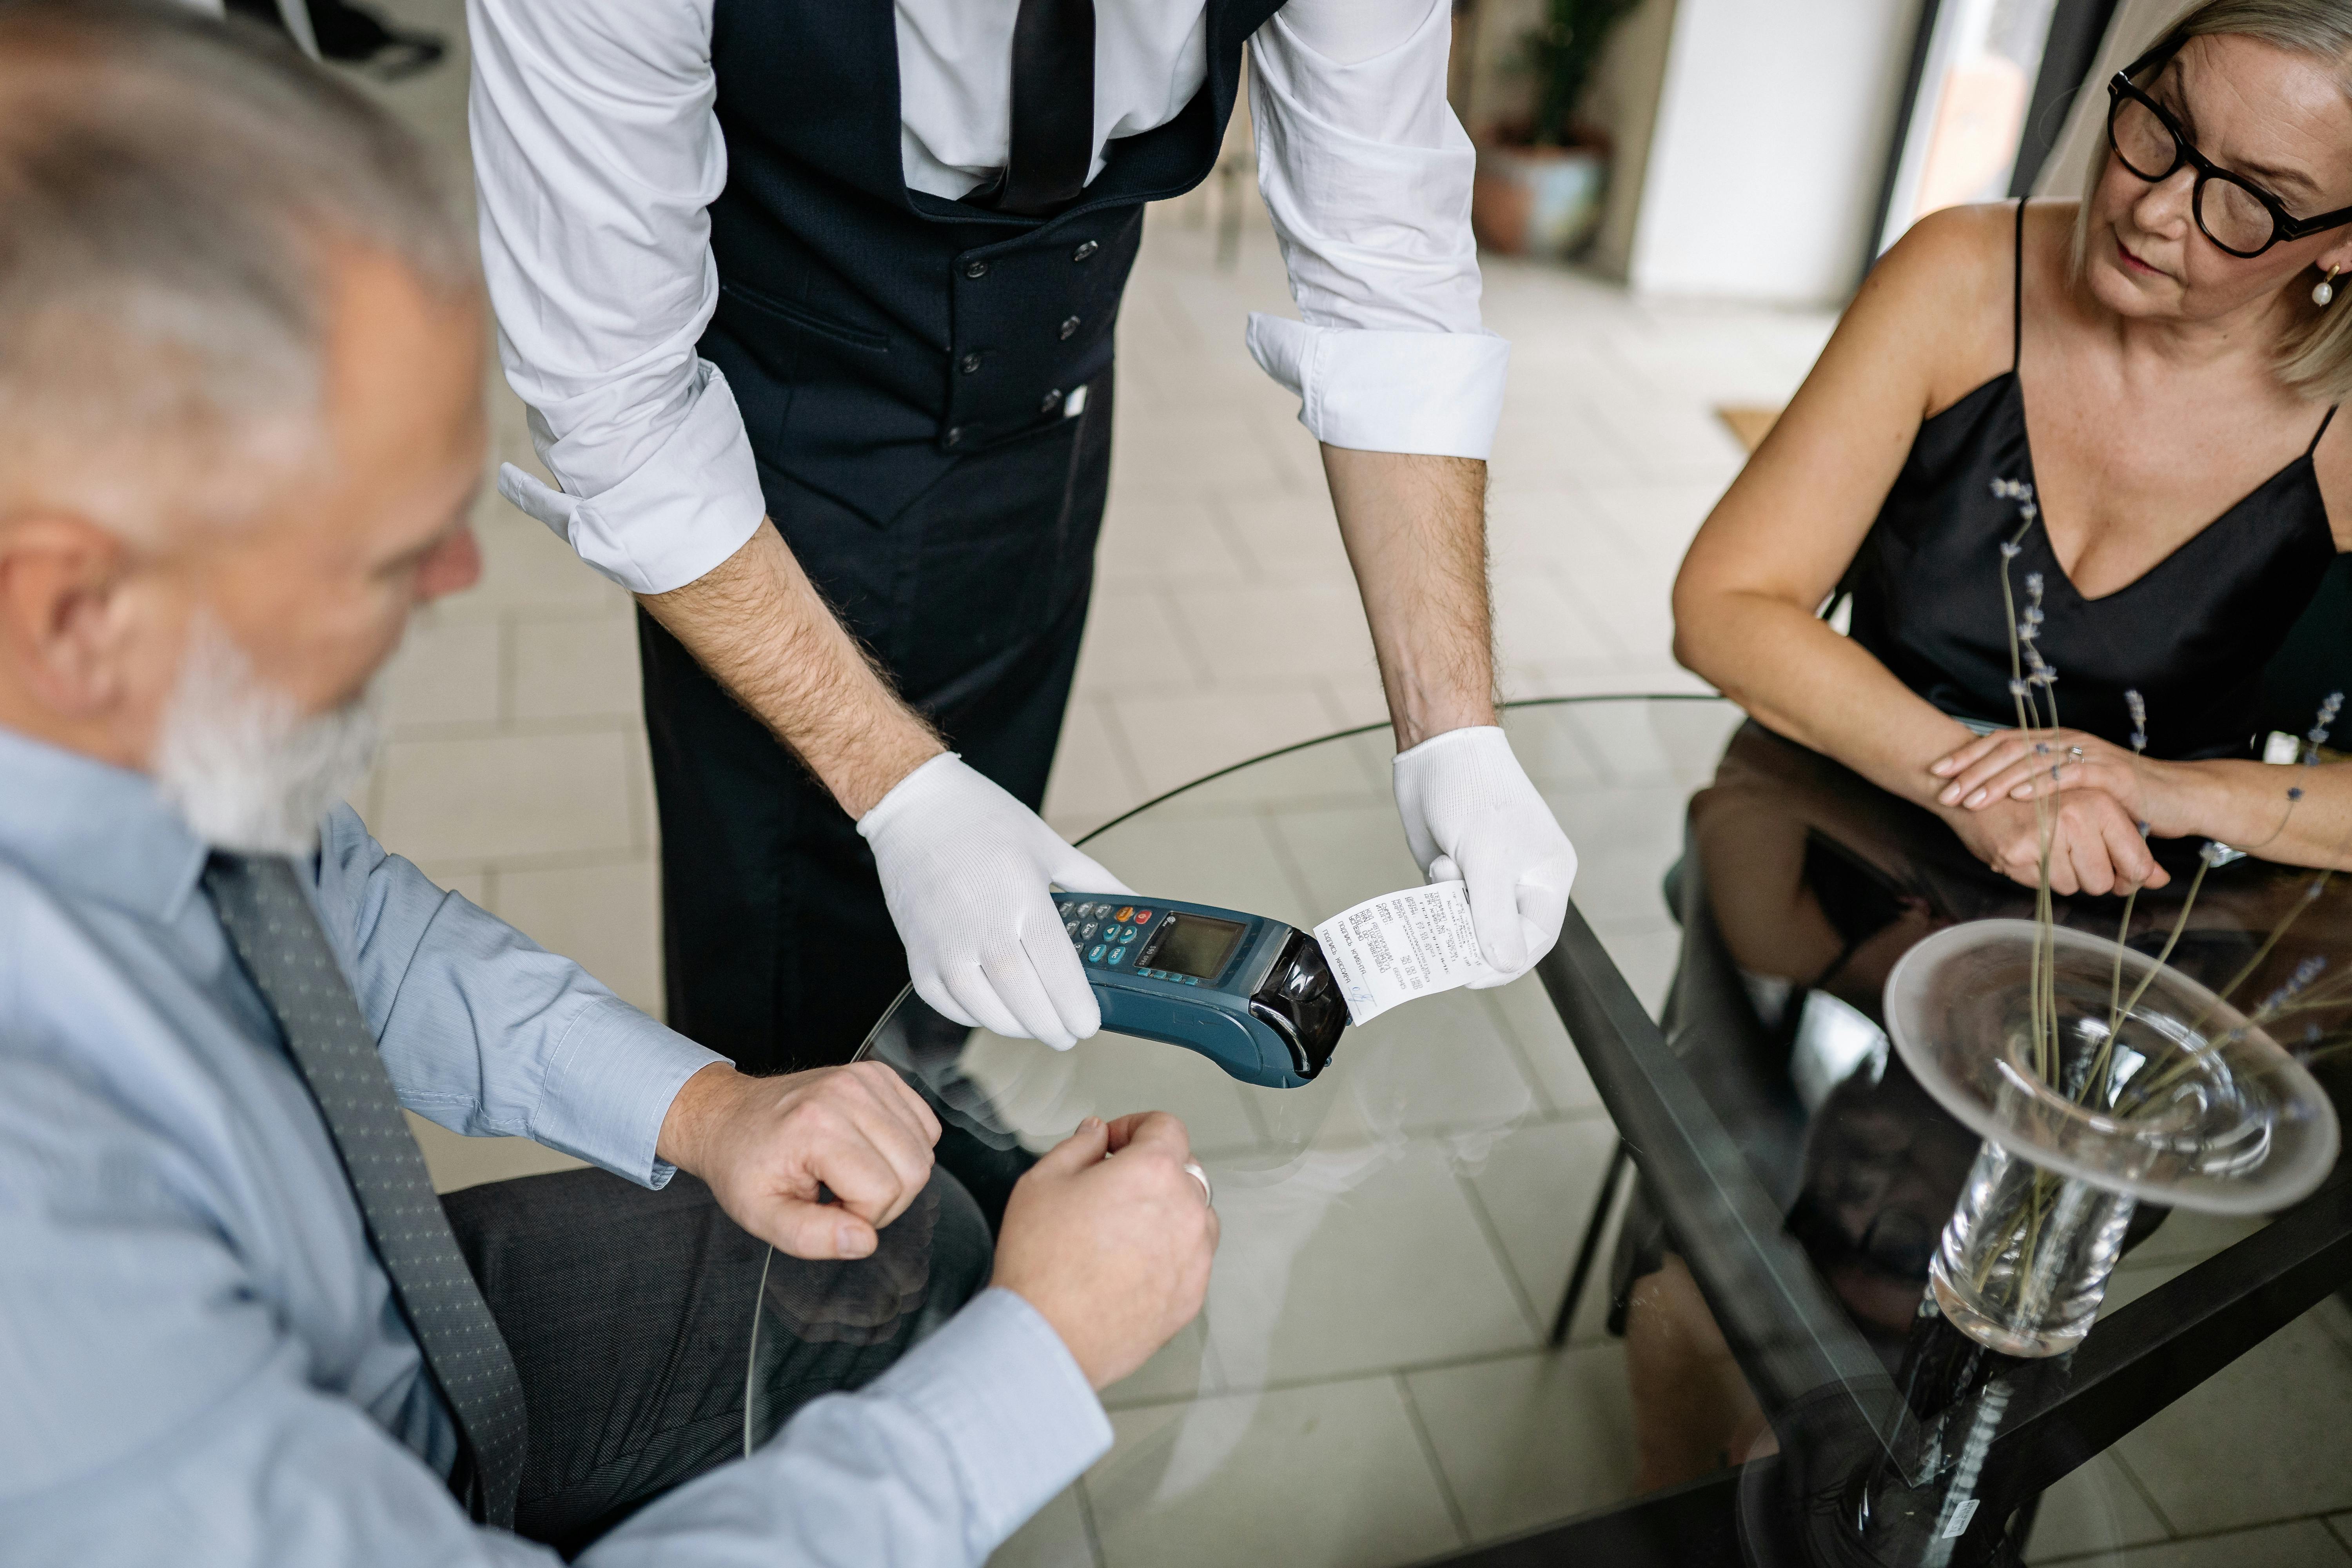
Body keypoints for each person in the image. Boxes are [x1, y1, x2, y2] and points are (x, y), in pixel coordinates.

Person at [0, 6, 1215, 1562]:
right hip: (294, 1456)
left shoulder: (95, 729)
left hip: (377, 1328)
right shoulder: (47, 1265)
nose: (454, 578)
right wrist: (1038, 1368)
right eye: (385, 551)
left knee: (899, 1252)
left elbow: (326, 918)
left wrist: (706, 1107)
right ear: (73, 608)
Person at [466, 0, 1581, 1074]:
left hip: (1054, 438)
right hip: (770, 491)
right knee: (792, 1011)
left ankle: (934, 1101)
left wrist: (1454, 732)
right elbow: (614, 406)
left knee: (987, 933)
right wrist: (901, 793)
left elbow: (1386, 260)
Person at [1673, 0, 2352, 897]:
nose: (2152, 208)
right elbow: (1723, 605)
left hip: (2139, 924)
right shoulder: (1959, 274)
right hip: (1833, 847)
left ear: (2340, 245)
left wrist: (2157, 788)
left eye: (2250, 201)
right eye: (2164, 124)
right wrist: (1978, 781)